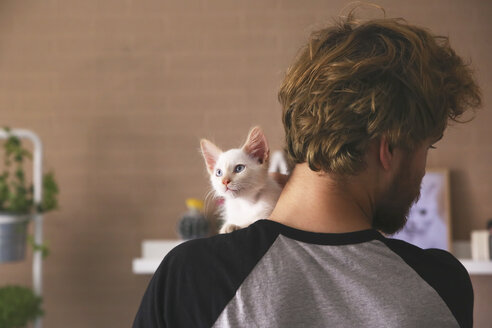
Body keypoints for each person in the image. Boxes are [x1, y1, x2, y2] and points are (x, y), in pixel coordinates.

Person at [133, 10, 481, 328]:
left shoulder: (190, 277)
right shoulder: (441, 286)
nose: (423, 169)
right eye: (426, 148)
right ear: (387, 148)